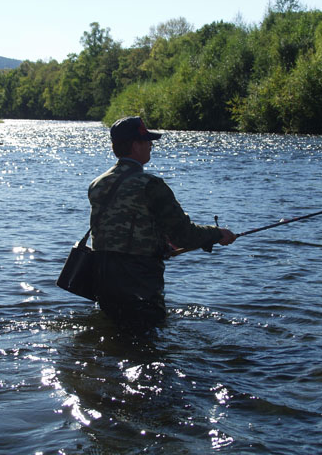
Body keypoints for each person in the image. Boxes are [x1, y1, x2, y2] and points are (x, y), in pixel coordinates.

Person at [88, 116, 236, 327]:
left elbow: (121, 230)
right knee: (147, 340)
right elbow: (185, 235)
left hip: (102, 278)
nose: (151, 145)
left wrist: (160, 244)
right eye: (146, 141)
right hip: (138, 280)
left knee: (113, 334)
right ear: (135, 145)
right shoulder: (151, 184)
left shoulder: (97, 183)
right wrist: (217, 233)